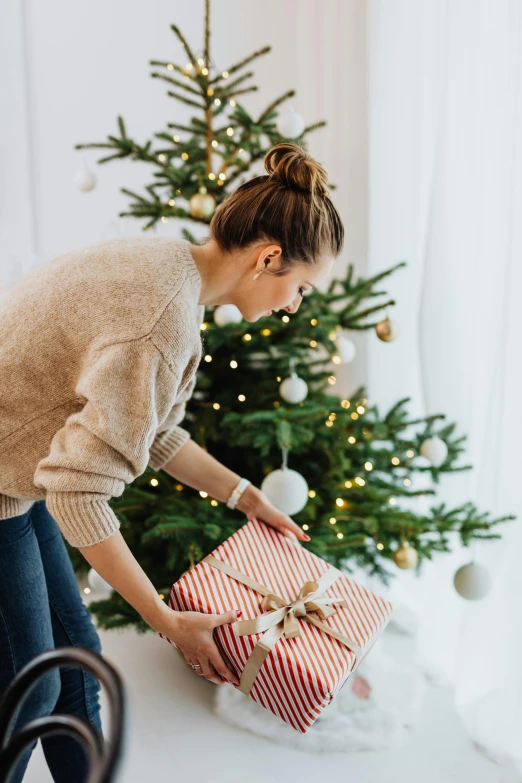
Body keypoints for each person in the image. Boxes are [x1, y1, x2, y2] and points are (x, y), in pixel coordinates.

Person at [0, 142, 344, 781]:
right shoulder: (163, 322)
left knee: (75, 663)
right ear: (268, 258)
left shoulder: (170, 269)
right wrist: (165, 620)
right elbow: (79, 495)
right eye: (301, 287)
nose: (296, 304)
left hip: (20, 477)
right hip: (5, 486)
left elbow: (155, 430)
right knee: (31, 693)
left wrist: (245, 495)